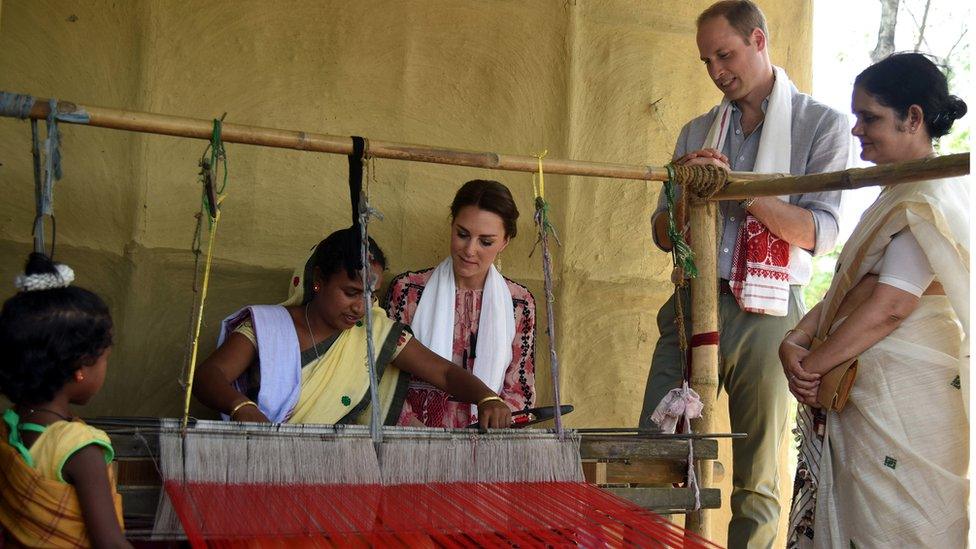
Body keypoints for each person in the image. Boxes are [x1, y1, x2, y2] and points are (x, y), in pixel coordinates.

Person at [638, 1, 851, 546]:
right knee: (657, 452)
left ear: (759, 40)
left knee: (757, 474)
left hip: (771, 310)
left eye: (725, 54)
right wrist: (687, 192)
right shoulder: (696, 131)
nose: (716, 71)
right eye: (706, 60)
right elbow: (666, 235)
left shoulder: (820, 125)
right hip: (691, 303)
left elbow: (821, 233)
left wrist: (739, 190)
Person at [782, 53, 968, 548]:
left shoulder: (927, 195)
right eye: (857, 116)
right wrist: (794, 340)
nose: (857, 129)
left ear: (913, 118)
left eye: (870, 117)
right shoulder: (894, 194)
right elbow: (854, 287)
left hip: (902, 391)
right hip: (866, 386)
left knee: (900, 526)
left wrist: (812, 365)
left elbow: (891, 306)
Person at [192, 227, 512, 429]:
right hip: (260, 467)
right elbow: (208, 377)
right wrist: (241, 408)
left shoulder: (371, 331)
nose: (361, 306)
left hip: (331, 476)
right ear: (318, 281)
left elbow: (442, 373)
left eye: (370, 295)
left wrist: (486, 398)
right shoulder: (268, 327)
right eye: (351, 292)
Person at [0, 253, 129, 548]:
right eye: (104, 359)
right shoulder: (80, 448)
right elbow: (110, 543)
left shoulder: (12, 425)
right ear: (80, 368)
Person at [386, 179, 536, 428]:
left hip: (488, 446)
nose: (469, 250)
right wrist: (413, 429)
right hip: (415, 441)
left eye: (485, 242)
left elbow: (521, 390)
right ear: (452, 226)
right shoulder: (409, 291)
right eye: (462, 234)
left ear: (505, 242)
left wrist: (495, 423)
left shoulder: (519, 303)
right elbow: (385, 374)